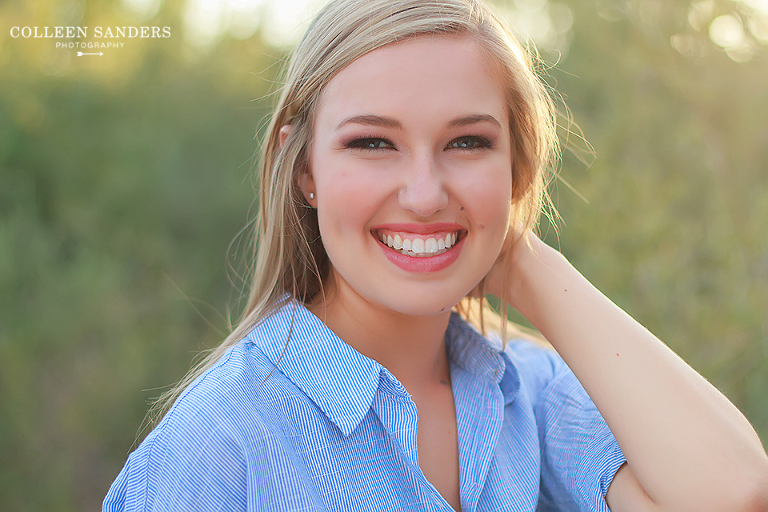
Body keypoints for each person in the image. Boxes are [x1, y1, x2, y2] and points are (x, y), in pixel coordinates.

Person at [103, 0, 768, 510]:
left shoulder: (526, 393)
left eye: (467, 143)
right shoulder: (221, 444)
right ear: (302, 167)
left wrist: (528, 266)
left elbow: (732, 494)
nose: (424, 195)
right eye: (373, 144)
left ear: (516, 167)